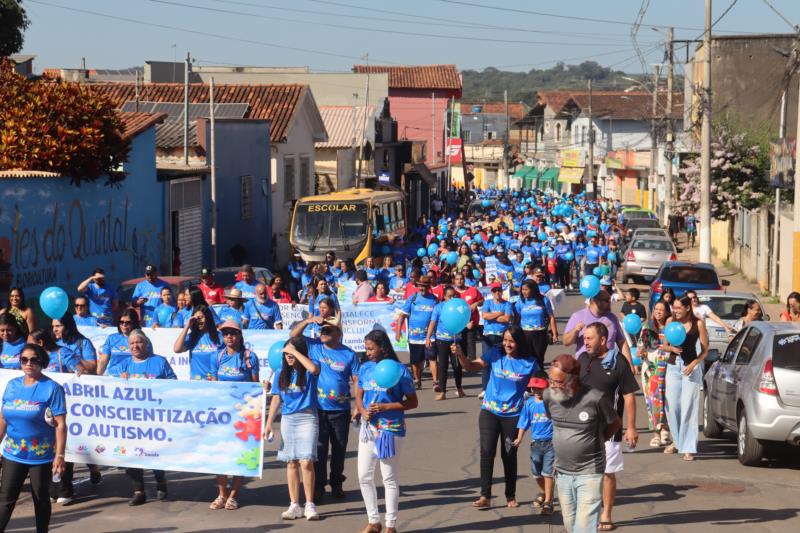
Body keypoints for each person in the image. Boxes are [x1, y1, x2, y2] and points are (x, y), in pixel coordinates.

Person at [453, 326, 538, 509]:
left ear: (519, 342)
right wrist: (461, 355)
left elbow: (542, 384)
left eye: (512, 341)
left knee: (508, 454)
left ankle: (510, 495)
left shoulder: (529, 362)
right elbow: (471, 367)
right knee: (486, 452)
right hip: (489, 412)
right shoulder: (495, 353)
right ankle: (485, 496)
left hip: (513, 415)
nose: (507, 344)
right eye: (505, 339)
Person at [545, 354, 620, 533]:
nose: (552, 385)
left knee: (584, 528)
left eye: (558, 382)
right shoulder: (549, 396)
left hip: (590, 471)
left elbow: (615, 423)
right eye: (551, 380)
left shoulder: (595, 398)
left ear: (573, 381)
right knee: (571, 525)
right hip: (562, 473)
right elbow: (553, 422)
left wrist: (597, 439)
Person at [354, 330, 418, 533]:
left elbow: (413, 402)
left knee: (388, 477)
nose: (368, 352)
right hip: (369, 428)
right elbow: (359, 392)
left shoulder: (399, 370)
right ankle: (374, 521)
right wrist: (362, 410)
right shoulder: (365, 368)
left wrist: (386, 408)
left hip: (391, 429)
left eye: (371, 348)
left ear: (383, 347)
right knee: (364, 475)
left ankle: (391, 525)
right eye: (366, 348)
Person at [290, 315, 358, 503]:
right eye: (322, 330)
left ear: (338, 333)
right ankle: (318, 487)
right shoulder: (314, 347)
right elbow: (293, 335)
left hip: (341, 410)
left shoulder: (349, 354)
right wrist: (309, 321)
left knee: (339, 449)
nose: (323, 333)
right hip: (318, 409)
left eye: (328, 330)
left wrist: (358, 406)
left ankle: (337, 484)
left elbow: (356, 381)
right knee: (319, 450)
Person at [578, 323, 639, 531]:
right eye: (584, 338)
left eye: (589, 338)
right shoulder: (583, 360)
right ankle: (586, 512)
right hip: (583, 428)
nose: (585, 342)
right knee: (584, 473)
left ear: (603, 340)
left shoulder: (618, 362)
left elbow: (629, 395)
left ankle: (606, 513)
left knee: (607, 473)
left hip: (609, 429)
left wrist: (631, 427)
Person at [0, 343, 67, 533]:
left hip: (41, 456)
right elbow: (3, 418)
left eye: (34, 359)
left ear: (42, 361)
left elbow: (61, 424)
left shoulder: (52, 388)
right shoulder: (12, 386)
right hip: (13, 453)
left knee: (40, 499)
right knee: (5, 500)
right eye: (24, 359)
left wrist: (60, 456)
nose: (29, 363)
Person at [264, 337, 322, 521]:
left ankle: (310, 504)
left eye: (292, 354)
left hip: (307, 417)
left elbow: (314, 369)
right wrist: (268, 423)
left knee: (306, 461)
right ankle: (294, 504)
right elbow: (276, 398)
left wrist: (295, 352)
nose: (289, 357)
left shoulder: (309, 367)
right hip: (289, 419)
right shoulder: (281, 372)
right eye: (286, 354)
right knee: (291, 462)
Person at [119, 330, 176, 505]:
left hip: (154, 417)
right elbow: (111, 391)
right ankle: (139, 492)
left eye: (139, 342)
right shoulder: (123, 365)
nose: (135, 346)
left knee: (155, 451)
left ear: (146, 343)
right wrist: (120, 381)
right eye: (131, 344)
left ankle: (161, 482)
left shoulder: (159, 362)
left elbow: (174, 382)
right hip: (131, 419)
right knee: (132, 454)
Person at [209, 320, 259, 510]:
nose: (229, 337)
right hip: (222, 414)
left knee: (241, 454)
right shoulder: (217, 357)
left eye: (233, 333)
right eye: (225, 333)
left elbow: (256, 386)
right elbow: (214, 386)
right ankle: (221, 494)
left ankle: (233, 495)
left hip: (243, 414)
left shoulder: (249, 357)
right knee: (220, 454)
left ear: (240, 335)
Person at [662, 296, 709, 461]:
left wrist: (695, 363)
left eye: (678, 308)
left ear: (687, 308)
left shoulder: (699, 324)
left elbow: (705, 350)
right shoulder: (671, 324)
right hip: (673, 367)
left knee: (689, 406)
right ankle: (676, 441)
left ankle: (688, 447)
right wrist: (671, 348)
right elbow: (664, 345)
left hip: (691, 367)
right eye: (674, 308)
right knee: (672, 406)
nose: (675, 311)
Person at [512, 375, 554, 516]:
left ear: (546, 388)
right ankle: (544, 492)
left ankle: (548, 501)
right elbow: (524, 421)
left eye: (540, 388)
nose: (536, 390)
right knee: (536, 473)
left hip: (551, 443)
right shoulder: (529, 403)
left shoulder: (552, 402)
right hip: (536, 444)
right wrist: (519, 438)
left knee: (547, 472)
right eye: (534, 387)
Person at [563, 288, 632, 368]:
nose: (609, 303)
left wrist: (629, 364)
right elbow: (566, 341)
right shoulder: (578, 316)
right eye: (606, 300)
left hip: (608, 366)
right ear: (596, 300)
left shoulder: (612, 318)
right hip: (585, 367)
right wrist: (575, 331)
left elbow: (621, 342)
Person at [396, 275, 438, 390]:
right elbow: (402, 315)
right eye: (420, 286)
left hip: (430, 336)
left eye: (424, 286)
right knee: (415, 362)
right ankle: (417, 380)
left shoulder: (434, 300)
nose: (422, 288)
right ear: (418, 286)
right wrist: (398, 332)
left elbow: (438, 317)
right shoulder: (412, 298)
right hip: (414, 336)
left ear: (429, 287)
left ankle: (435, 382)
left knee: (432, 359)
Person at [640, 301, 672, 447]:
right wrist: (641, 351)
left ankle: (665, 429)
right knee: (652, 400)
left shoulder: (672, 328)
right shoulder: (647, 327)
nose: (658, 312)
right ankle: (655, 434)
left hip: (668, 366)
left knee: (666, 398)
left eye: (662, 309)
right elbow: (641, 347)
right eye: (656, 309)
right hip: (651, 367)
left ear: (667, 312)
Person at [426, 286, 465, 400]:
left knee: (457, 366)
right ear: (444, 297)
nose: (452, 298)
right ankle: (442, 392)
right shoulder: (439, 307)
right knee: (443, 366)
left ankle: (459, 388)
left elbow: (465, 318)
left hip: (455, 340)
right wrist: (428, 337)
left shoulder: (459, 306)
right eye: (449, 296)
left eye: (454, 296)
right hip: (442, 340)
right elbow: (433, 322)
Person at [514, 280, 558, 369]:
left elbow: (551, 317)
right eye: (522, 290)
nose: (524, 292)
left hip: (540, 334)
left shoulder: (543, 299)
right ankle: (528, 380)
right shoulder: (520, 301)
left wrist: (555, 333)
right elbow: (517, 318)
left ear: (533, 289)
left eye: (526, 289)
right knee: (526, 359)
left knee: (539, 359)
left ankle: (539, 379)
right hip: (525, 334)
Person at [480, 283, 513, 398]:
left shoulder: (507, 304)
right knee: (486, 363)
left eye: (499, 290)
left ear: (502, 291)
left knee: (501, 363)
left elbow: (507, 318)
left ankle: (501, 388)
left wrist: (492, 316)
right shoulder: (487, 302)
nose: (497, 293)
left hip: (501, 336)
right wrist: (499, 313)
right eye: (495, 291)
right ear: (491, 292)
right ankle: (485, 388)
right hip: (488, 336)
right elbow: (485, 316)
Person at [173, 305, 222, 381]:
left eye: (201, 317)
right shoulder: (192, 337)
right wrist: (187, 326)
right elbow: (176, 349)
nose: (198, 321)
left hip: (215, 381)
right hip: (196, 383)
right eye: (196, 318)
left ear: (208, 318)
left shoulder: (220, 336)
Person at [97, 308, 140, 376]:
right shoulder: (112, 338)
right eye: (121, 322)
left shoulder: (142, 340)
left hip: (133, 379)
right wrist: (97, 378)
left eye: (128, 322)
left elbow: (146, 362)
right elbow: (103, 361)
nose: (124, 325)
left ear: (134, 323)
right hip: (113, 378)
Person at [452, 273, 483, 362]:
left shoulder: (473, 290)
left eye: (461, 279)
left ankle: (472, 365)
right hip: (458, 324)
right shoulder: (453, 293)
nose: (459, 281)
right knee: (461, 346)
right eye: (457, 279)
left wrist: (476, 303)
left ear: (464, 280)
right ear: (454, 281)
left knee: (470, 345)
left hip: (471, 323)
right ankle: (462, 364)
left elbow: (482, 300)